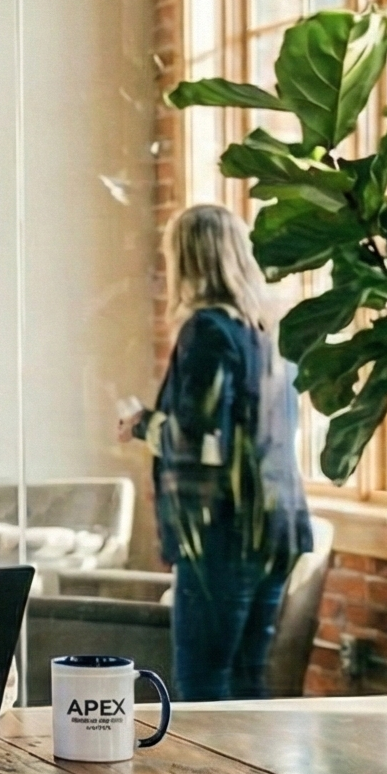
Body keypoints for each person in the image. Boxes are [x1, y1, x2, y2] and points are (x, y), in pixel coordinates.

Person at [117, 203, 313, 701]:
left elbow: (202, 441)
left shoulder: (207, 331)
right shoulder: (270, 331)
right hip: (278, 526)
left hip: (222, 533)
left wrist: (142, 424)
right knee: (250, 684)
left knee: (203, 689)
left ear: (187, 259)